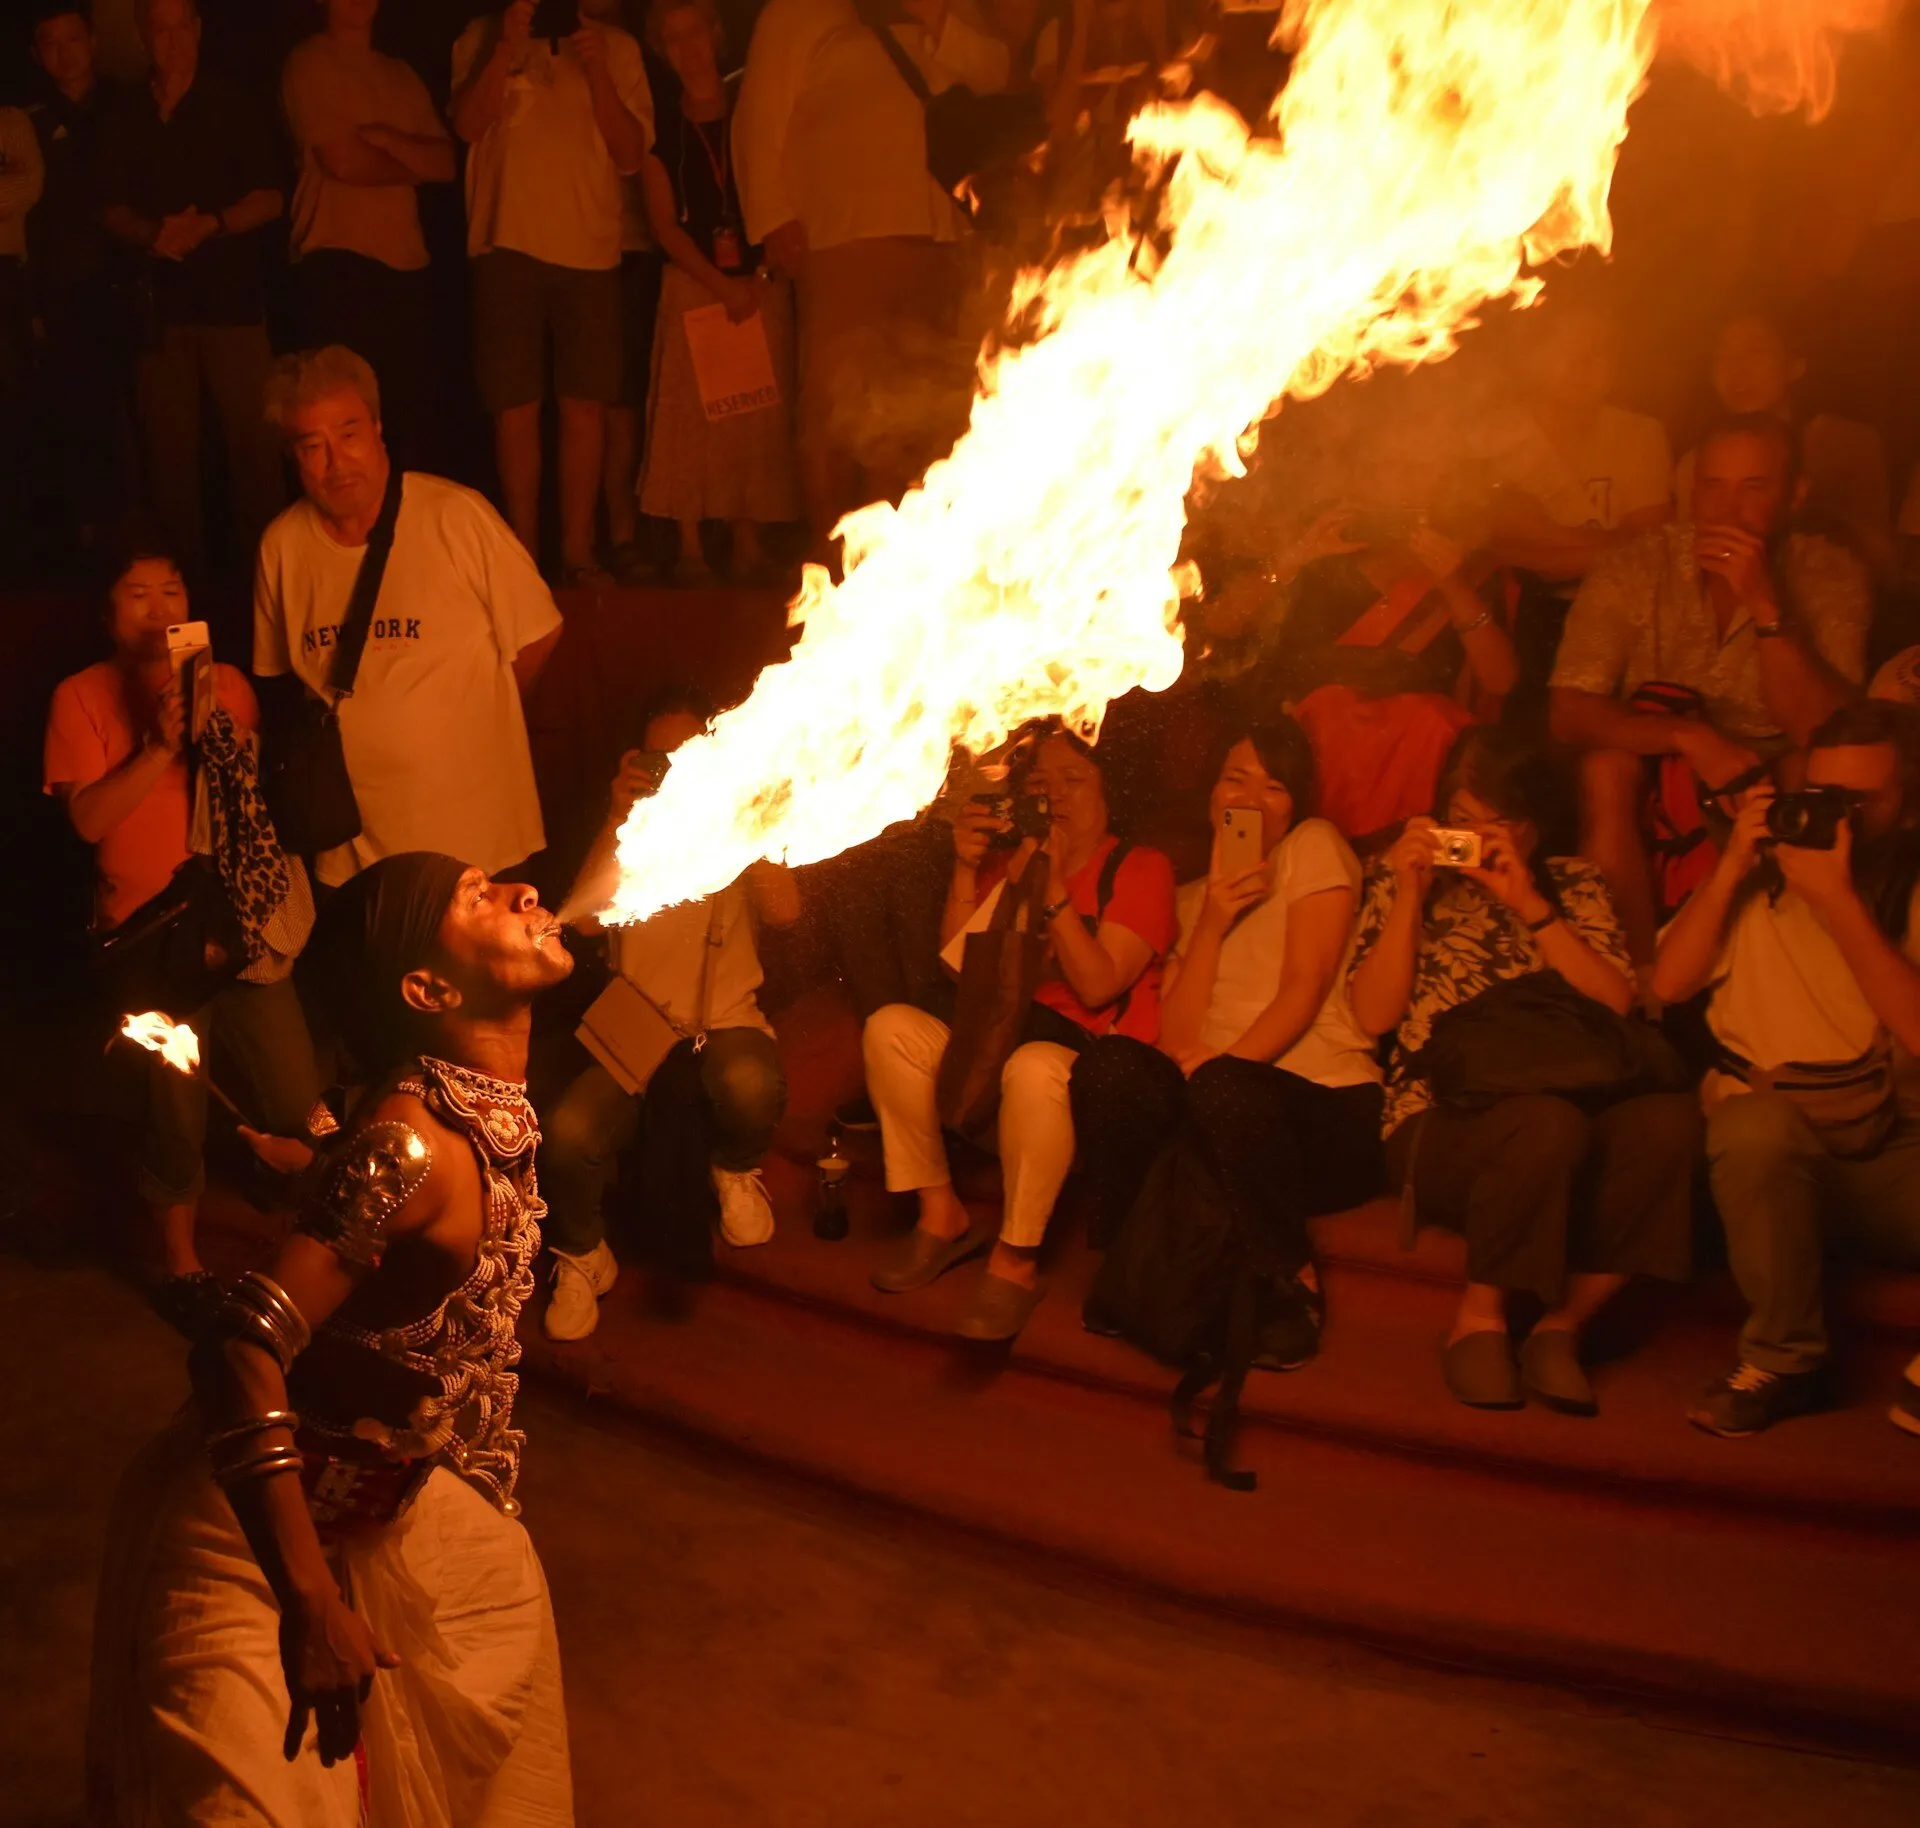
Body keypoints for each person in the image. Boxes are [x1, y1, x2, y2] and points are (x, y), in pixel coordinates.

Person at [86, 851, 578, 1826]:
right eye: (477, 897)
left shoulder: (470, 1120)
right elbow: (237, 1350)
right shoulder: (409, 1145)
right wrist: (308, 1603)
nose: (527, 892)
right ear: (429, 987)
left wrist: (320, 1167)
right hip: (250, 1536)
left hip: (390, 1510)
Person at [1347, 726, 1699, 1414]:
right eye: (1461, 820)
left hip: (1573, 1105)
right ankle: (1479, 1321)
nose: (1475, 838)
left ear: (1533, 828)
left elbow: (1619, 1002)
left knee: (1669, 1124)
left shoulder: (1572, 884)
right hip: (1441, 1121)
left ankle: (1561, 1326)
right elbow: (1373, 1016)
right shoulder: (1404, 882)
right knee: (1545, 1124)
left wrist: (1531, 906)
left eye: (1497, 822)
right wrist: (1410, 897)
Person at [43, 527, 322, 1300]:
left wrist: (209, 723)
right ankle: (180, 1263)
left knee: (294, 1091)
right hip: (153, 940)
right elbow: (90, 820)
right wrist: (159, 745)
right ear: (107, 613)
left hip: (240, 924)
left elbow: (256, 805)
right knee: (174, 1107)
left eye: (171, 591)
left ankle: (311, 1234)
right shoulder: (79, 696)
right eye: (137, 593)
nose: (156, 608)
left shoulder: (227, 683)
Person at [1067, 718, 1383, 1369]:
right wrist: (1212, 919)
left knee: (1225, 1089)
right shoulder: (1188, 900)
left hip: (1322, 1108)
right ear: (1212, 794)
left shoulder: (1311, 848)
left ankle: (1291, 1281)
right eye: (1236, 778)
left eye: (1274, 786)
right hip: (1213, 1104)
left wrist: (1226, 1068)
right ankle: (1135, 1267)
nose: (1250, 797)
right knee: (1109, 1066)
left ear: (1295, 804)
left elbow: (1305, 985)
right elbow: (1176, 1039)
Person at [1651, 700, 1920, 1438]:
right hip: (1782, 1161)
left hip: (1896, 1154)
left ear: (1906, 811)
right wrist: (1735, 859)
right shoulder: (1758, 878)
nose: (1837, 816)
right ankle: (1783, 1361)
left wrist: (1836, 900)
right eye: (1823, 795)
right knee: (1752, 1127)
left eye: (1859, 801)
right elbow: (1667, 985)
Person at [862, 726, 1176, 1339]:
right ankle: (940, 1212)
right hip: (995, 1061)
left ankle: (1016, 1257)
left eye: (1074, 780)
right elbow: (957, 964)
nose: (1055, 795)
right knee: (890, 1028)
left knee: (1032, 1066)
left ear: (1111, 790)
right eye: (1040, 784)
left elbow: (1097, 985)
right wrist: (966, 868)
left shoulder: (1140, 868)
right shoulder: (1016, 864)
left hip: (1080, 1082)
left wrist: (1054, 891)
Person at [1549, 413, 1873, 970]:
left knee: (1808, 777)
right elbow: (1568, 712)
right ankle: (1634, 977)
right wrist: (1686, 735)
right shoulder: (1635, 565)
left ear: (1794, 495)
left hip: (1771, 764)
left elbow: (1828, 734)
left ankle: (1783, 973)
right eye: (1712, 486)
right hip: (1660, 755)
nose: (1726, 511)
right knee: (1605, 768)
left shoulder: (1828, 573)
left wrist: (1767, 608)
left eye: (1754, 488)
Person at [539, 689, 802, 1339]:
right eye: (662, 757)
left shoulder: (739, 821)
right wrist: (617, 814)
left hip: (725, 1017)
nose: (676, 769)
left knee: (749, 1084)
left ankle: (735, 1168)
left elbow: (786, 912)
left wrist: (754, 817)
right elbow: (590, 924)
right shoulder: (630, 831)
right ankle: (582, 1253)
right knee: (569, 1133)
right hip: (637, 1028)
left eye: (692, 754)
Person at [253, 345, 565, 889]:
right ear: (292, 456)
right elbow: (281, 683)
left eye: (348, 435)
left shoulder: (454, 516)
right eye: (312, 445)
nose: (335, 461)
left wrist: (472, 722)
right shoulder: (281, 547)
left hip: (479, 844)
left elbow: (541, 632)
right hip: (351, 858)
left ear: (377, 428)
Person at [733, 0, 1010, 538]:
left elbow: (996, 74)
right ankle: (830, 550)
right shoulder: (796, 13)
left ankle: (890, 555)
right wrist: (773, 219)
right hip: (843, 237)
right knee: (835, 406)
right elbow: (759, 120)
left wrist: (935, 19)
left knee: (911, 407)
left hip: (938, 234)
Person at [452, 0, 655, 583]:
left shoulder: (617, 48)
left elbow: (631, 154)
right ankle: (521, 559)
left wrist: (596, 72)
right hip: (503, 242)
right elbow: (467, 126)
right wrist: (505, 48)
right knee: (514, 409)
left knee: (584, 408)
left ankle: (576, 552)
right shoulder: (478, 36)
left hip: (590, 249)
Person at [97, 0, 286, 587]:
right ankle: (185, 599)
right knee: (169, 462)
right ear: (142, 34)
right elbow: (108, 205)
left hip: (233, 306)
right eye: (161, 29)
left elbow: (272, 196)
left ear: (199, 30)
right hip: (161, 310)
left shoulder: (234, 104)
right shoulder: (125, 113)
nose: (173, 41)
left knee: (255, 452)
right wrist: (155, 233)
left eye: (183, 27)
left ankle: (275, 587)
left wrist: (211, 224)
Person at [1227, 503, 1522, 843]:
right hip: (1302, 747)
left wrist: (1454, 586)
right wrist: (1295, 557)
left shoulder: (1464, 567)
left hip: (1416, 757)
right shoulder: (1324, 547)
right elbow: (1224, 626)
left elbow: (1501, 679)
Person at [639, 0, 800, 584]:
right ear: (662, 49)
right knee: (691, 419)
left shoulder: (756, 106)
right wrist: (718, 287)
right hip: (694, 284)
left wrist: (753, 284)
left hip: (760, 283)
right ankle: (689, 545)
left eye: (695, 33)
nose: (688, 47)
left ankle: (747, 539)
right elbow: (662, 224)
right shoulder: (660, 125)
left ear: (716, 34)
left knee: (752, 420)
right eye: (672, 38)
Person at [281, 0, 455, 472]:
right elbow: (344, 162)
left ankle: (398, 538)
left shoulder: (401, 74)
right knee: (339, 424)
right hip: (336, 259)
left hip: (405, 264)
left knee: (403, 423)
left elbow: (447, 162)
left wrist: (387, 138)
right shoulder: (310, 61)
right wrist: (412, 167)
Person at [1674, 308, 1896, 584]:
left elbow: (1878, 557)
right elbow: (1684, 566)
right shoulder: (1694, 464)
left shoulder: (1843, 444)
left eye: (1755, 352)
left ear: (1795, 365)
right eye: (1723, 355)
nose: (1737, 369)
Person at [25, 3, 133, 555]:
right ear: (36, 53)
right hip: (67, 290)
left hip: (135, 285)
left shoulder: (128, 103)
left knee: (142, 420)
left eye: (72, 39)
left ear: (92, 40)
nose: (64, 53)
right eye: (51, 43)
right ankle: (91, 545)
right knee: (79, 420)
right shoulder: (29, 121)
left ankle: (151, 540)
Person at [1480, 299, 1673, 585]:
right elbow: (1479, 541)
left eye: (1599, 350)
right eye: (1569, 346)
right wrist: (1608, 547)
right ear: (1534, 357)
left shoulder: (1639, 434)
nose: (1583, 363)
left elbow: (1647, 553)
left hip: (1619, 608)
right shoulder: (1491, 437)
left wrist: (1537, 547)